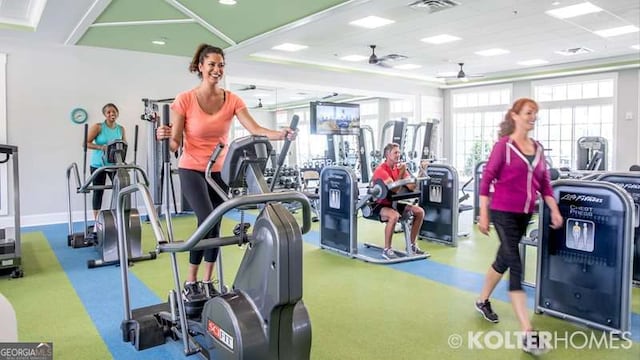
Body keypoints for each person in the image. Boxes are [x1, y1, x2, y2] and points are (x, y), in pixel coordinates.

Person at [156, 44, 296, 301]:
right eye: (212, 64)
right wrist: (164, 135)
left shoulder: (232, 99)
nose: (217, 70)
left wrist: (280, 134)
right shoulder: (184, 100)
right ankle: (191, 281)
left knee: (216, 222)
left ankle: (208, 281)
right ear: (200, 66)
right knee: (206, 217)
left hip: (219, 170)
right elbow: (175, 143)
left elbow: (254, 128)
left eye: (221, 65)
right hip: (191, 168)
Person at [475, 98, 563, 355]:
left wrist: (554, 209)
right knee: (516, 264)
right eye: (528, 113)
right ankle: (527, 332)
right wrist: (483, 212)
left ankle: (482, 300)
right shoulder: (504, 146)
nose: (532, 117)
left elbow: (545, 184)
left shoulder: (538, 149)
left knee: (503, 259)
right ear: (515, 116)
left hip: (525, 214)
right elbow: (487, 179)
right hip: (502, 212)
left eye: (535, 113)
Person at [370, 142, 426, 260]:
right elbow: (394, 189)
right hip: (379, 205)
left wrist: (420, 172)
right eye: (395, 152)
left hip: (394, 203)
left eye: (399, 152)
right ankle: (387, 250)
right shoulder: (381, 170)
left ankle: (411, 245)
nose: (398, 155)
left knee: (419, 211)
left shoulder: (398, 168)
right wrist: (401, 175)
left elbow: (411, 187)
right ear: (387, 154)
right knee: (394, 216)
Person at [86, 103, 126, 221]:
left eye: (114, 111)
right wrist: (101, 147)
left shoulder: (121, 129)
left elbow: (124, 145)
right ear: (105, 114)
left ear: (117, 113)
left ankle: (117, 216)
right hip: (98, 165)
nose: (111, 114)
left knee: (120, 189)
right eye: (108, 112)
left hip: (114, 164)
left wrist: (122, 160)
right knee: (98, 192)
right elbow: (86, 143)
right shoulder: (98, 127)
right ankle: (96, 220)